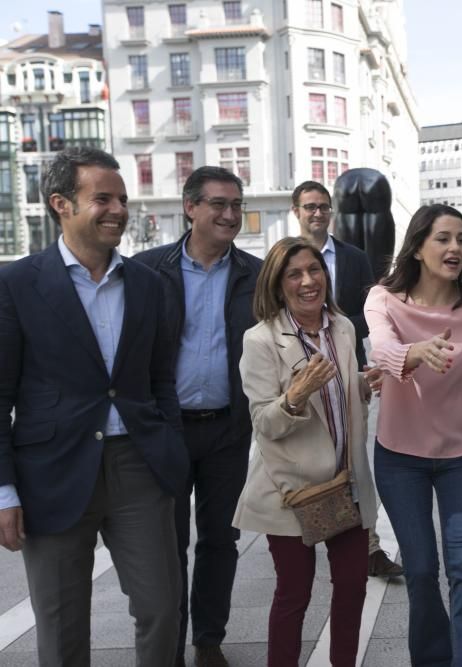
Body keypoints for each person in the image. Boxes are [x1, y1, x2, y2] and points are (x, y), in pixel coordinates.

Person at [0, 147, 188, 665]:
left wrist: (168, 446)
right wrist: (4, 490)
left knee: (162, 608)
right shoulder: (17, 284)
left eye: (123, 199)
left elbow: (159, 377)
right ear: (61, 203)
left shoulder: (149, 283)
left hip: (139, 466)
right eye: (102, 198)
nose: (119, 209)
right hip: (52, 472)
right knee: (61, 627)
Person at [363, 204, 462, 666]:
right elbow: (382, 348)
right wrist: (412, 353)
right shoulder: (384, 299)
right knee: (419, 570)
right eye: (443, 238)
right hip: (399, 460)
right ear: (416, 246)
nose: (456, 248)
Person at [134, 166, 262, 667]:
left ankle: (208, 638)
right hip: (166, 430)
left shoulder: (255, 275)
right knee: (167, 544)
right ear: (190, 208)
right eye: (218, 204)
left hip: (229, 429)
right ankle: (169, 640)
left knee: (220, 539)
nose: (230, 214)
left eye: (236, 205)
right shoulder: (146, 270)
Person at [234, 237, 379, 666]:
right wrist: (294, 397)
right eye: (294, 274)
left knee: (353, 586)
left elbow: (344, 400)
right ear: (278, 286)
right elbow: (264, 423)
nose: (307, 281)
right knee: (294, 593)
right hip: (293, 490)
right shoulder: (260, 341)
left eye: (314, 270)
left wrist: (363, 386)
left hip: (345, 481)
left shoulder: (344, 327)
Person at [291, 179, 402, 578]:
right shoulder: (285, 258)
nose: (317, 213)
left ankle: (369, 546)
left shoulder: (354, 258)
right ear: (296, 212)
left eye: (323, 206)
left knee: (355, 463)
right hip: (298, 378)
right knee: (305, 462)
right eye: (309, 207)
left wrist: (330, 325)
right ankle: (302, 540)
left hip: (349, 374)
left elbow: (370, 315)